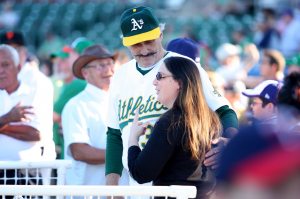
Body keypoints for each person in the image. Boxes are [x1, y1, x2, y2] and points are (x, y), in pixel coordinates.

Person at [106, 6, 238, 187]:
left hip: (175, 179)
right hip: (134, 179)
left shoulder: (183, 66)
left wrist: (229, 140)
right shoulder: (120, 76)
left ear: (160, 34)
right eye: (137, 44)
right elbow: (114, 134)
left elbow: (224, 110)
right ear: (126, 44)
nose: (144, 50)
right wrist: (111, 186)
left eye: (149, 41)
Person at [128, 56, 222, 198]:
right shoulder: (211, 119)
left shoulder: (170, 122)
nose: (154, 82)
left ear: (179, 82)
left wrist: (133, 138)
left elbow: (141, 174)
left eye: (160, 76)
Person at [62, 44, 128, 185]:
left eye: (110, 63)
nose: (107, 70)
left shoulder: (124, 99)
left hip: (121, 190)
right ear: (85, 73)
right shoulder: (76, 105)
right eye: (100, 66)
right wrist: (123, 154)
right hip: (89, 192)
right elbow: (79, 151)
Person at [0, 44, 42, 185]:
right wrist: (9, 118)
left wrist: (1, 124)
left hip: (25, 175)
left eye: (5, 65)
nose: (0, 70)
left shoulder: (34, 93)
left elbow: (35, 134)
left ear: (18, 68)